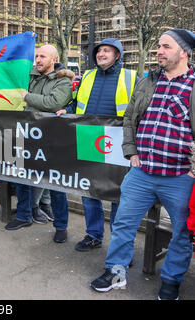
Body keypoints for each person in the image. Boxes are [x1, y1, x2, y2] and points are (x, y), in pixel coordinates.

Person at [90, 29, 195, 300]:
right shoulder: (148, 81)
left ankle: (171, 281)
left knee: (182, 233)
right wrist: (131, 152)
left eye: (166, 46)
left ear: (183, 52)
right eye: (158, 45)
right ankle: (116, 271)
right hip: (141, 172)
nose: (158, 51)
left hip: (181, 177)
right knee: (123, 223)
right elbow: (129, 119)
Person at [56, 38, 138, 251]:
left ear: (117, 55)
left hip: (119, 144)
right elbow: (77, 102)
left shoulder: (131, 77)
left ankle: (119, 246)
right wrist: (68, 110)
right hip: (88, 138)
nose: (101, 54)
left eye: (107, 51)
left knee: (118, 196)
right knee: (89, 191)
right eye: (99, 51)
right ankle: (93, 235)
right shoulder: (89, 76)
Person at [4, 45, 73, 230]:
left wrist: (27, 97)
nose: (38, 60)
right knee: (22, 178)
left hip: (51, 138)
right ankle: (24, 215)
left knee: (54, 183)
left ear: (54, 59)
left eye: (43, 56)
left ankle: (61, 227)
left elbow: (53, 103)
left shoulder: (63, 80)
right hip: (28, 134)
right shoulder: (30, 76)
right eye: (36, 56)